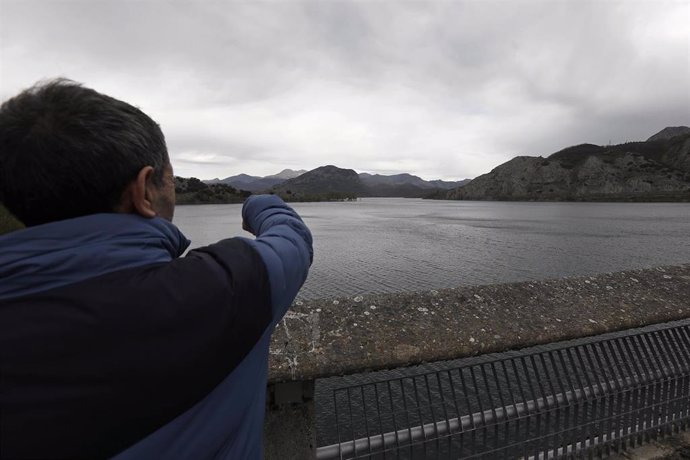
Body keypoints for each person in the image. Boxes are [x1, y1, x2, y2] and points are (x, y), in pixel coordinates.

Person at [0, 79, 313, 459]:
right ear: (144, 189)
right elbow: (293, 239)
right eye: (169, 177)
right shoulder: (222, 290)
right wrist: (259, 203)